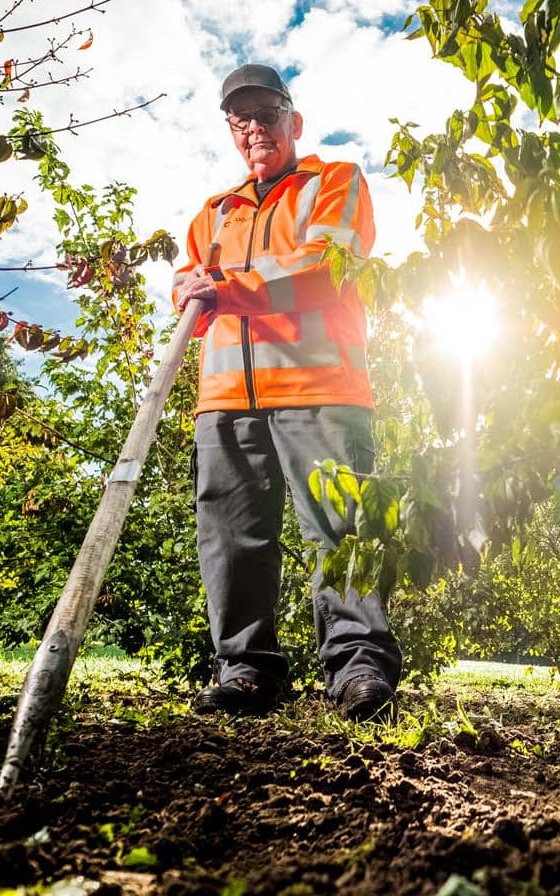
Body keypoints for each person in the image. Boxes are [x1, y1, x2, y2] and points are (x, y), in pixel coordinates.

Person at [171, 63, 401, 720]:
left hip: (319, 387)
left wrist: (226, 289)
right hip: (225, 398)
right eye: (239, 121)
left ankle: (359, 669)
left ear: (292, 122)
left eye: (265, 115)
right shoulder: (211, 215)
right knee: (231, 537)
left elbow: (327, 264)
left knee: (340, 532)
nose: (253, 130)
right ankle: (247, 673)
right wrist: (185, 288)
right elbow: (191, 282)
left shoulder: (334, 184)